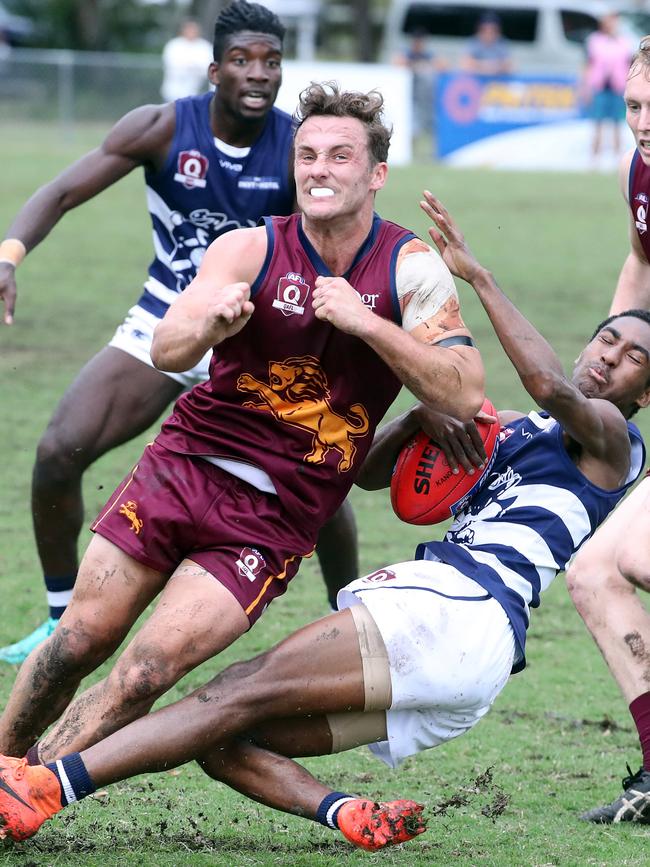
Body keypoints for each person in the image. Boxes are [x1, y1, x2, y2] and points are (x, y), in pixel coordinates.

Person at [2, 193, 650, 850]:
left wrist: (477, 277)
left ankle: (42, 786)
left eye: (633, 357)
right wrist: (415, 420)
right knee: (224, 737)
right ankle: (346, 813)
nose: (608, 355)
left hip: (458, 606)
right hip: (474, 660)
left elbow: (549, 385)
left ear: (646, 394)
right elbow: (367, 474)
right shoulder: (516, 430)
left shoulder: (615, 439)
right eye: (607, 336)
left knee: (226, 694)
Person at [0, 86, 485, 776]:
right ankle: (2, 760)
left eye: (340, 155)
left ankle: (26, 788)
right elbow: (167, 347)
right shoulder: (249, 248)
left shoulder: (410, 269)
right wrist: (208, 324)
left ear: (377, 172)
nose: (319, 169)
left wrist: (367, 322)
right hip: (184, 467)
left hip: (274, 516)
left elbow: (464, 390)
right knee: (79, 638)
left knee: (145, 673)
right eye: (308, 155)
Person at [0, 0, 358, 666]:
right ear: (215, 68)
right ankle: (57, 619)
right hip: (166, 321)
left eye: (271, 62)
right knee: (56, 452)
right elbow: (62, 191)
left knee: (323, 489)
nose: (259, 74)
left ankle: (357, 634)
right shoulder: (164, 128)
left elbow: (346, 235)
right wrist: (9, 254)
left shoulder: (294, 149)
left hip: (261, 341)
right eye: (244, 61)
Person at [566, 35, 650, 824]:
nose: (643, 121)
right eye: (633, 104)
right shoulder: (642, 172)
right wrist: (615, 349)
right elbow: (639, 260)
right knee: (595, 571)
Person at [581, 12, 632, 162]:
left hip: (618, 87)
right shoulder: (594, 41)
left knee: (618, 124)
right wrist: (585, 87)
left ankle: (618, 159)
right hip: (599, 86)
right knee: (597, 123)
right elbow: (588, 64)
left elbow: (628, 65)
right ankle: (594, 159)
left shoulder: (624, 42)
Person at [160, 18, 213, 102]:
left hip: (196, 92)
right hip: (173, 92)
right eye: (188, 29)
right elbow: (172, 65)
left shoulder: (204, 46)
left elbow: (208, 66)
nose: (191, 32)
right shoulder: (174, 45)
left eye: (193, 30)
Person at [459, 11, 512, 77]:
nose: (488, 33)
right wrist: (492, 66)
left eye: (493, 30)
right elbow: (465, 64)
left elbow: (508, 66)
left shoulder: (502, 43)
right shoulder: (473, 42)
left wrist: (479, 65)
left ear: (498, 31)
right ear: (479, 30)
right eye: (485, 29)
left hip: (495, 83)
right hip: (475, 83)